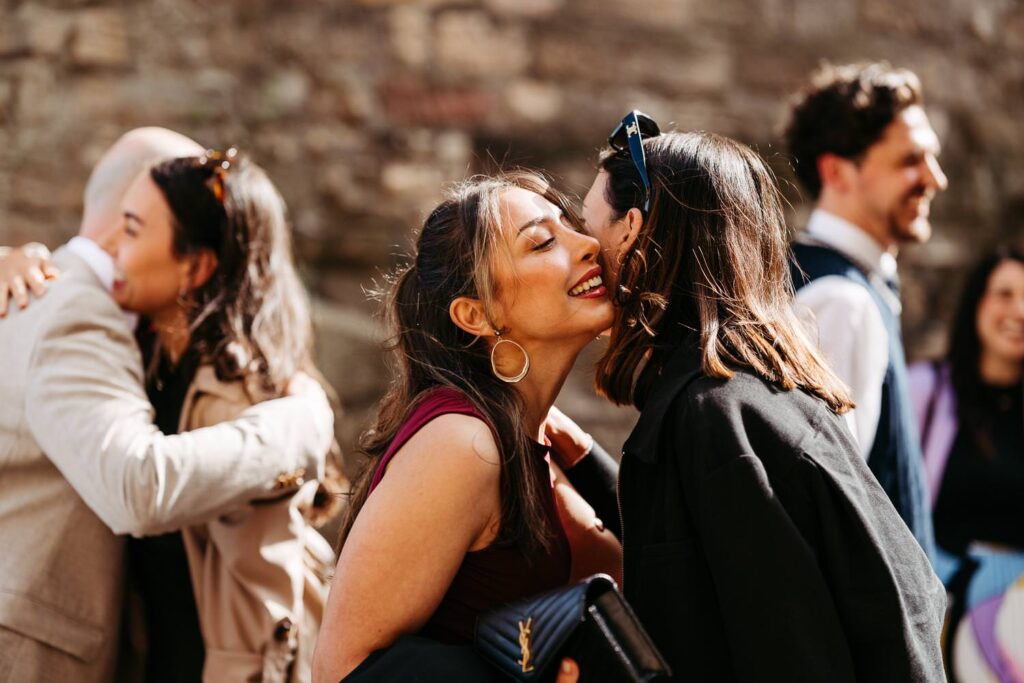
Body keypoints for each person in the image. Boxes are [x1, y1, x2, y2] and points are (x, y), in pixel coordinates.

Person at [578, 113, 947, 681]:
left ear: (631, 230)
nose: (580, 250)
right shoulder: (752, 398)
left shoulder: (715, 419)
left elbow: (789, 651)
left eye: (587, 225)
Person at [0, 128, 333, 682]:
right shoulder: (69, 309)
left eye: (140, 227)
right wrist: (302, 425)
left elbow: (263, 589)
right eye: (128, 223)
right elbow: (138, 486)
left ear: (196, 261)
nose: (121, 245)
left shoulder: (205, 371)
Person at [312, 172, 622, 683]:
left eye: (572, 227)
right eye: (543, 241)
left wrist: (587, 457)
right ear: (476, 314)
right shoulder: (462, 444)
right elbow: (342, 670)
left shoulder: (538, 439)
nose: (590, 244)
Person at [109, 149, 341, 682]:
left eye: (131, 230)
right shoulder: (137, 350)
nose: (111, 249)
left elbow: (269, 610)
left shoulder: (242, 402)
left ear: (196, 266)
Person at [783, 62, 948, 561]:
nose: (935, 179)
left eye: (932, 159)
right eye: (910, 161)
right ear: (837, 171)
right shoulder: (840, 302)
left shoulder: (850, 286)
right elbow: (830, 516)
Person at [908, 246, 1024, 682]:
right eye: (1005, 294)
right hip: (941, 626)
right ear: (977, 303)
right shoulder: (926, 392)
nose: (1019, 310)